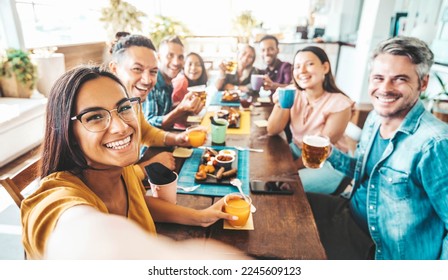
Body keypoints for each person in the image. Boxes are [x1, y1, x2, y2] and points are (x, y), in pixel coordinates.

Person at [21, 66, 246, 259]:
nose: (120, 127)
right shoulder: (54, 198)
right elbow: (81, 236)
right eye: (95, 116)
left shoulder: (122, 170)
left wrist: (201, 216)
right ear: (68, 134)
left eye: (124, 108)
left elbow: (139, 203)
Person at [307, 36, 448, 259]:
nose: (385, 88)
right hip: (349, 214)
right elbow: (366, 173)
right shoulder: (375, 117)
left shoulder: (435, 144)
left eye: (399, 79)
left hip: (381, 250)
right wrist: (331, 154)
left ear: (423, 83)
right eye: (378, 78)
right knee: (282, 206)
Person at [107, 32, 203, 177]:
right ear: (114, 69)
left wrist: (177, 139)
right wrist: (147, 167)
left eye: (153, 72)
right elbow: (106, 180)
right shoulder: (103, 112)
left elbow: (145, 131)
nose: (147, 80)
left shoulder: (133, 101)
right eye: (137, 69)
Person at [267, 46, 353, 194]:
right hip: (298, 150)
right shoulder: (294, 93)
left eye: (309, 64)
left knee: (287, 186)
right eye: (297, 66)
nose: (302, 71)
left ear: (325, 67)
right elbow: (273, 129)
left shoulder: (340, 104)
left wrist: (289, 170)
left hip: (327, 162)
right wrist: (279, 104)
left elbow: (317, 152)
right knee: (267, 169)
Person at [143, 36, 204, 130]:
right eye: (170, 56)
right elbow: (148, 125)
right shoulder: (150, 83)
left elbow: (166, 114)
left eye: (180, 57)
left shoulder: (169, 83)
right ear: (158, 58)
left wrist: (187, 108)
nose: (176, 62)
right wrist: (180, 109)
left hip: (166, 138)